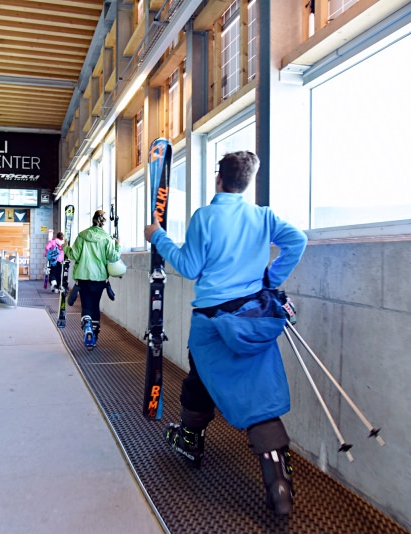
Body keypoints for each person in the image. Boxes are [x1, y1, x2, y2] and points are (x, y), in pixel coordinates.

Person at [143, 151, 307, 516]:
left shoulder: (205, 217)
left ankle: (190, 441)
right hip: (253, 317)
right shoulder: (263, 216)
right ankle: (279, 482)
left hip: (212, 323)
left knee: (200, 381)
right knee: (260, 395)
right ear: (247, 182)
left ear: (219, 178)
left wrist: (158, 236)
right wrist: (270, 279)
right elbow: (297, 241)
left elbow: (188, 266)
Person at [64, 210, 121, 350]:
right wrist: (118, 245)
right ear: (103, 222)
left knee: (86, 305)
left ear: (93, 220)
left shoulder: (82, 236)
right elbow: (113, 257)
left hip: (83, 279)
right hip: (100, 279)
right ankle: (93, 337)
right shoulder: (107, 238)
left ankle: (87, 324)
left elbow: (74, 255)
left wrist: (65, 247)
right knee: (95, 306)